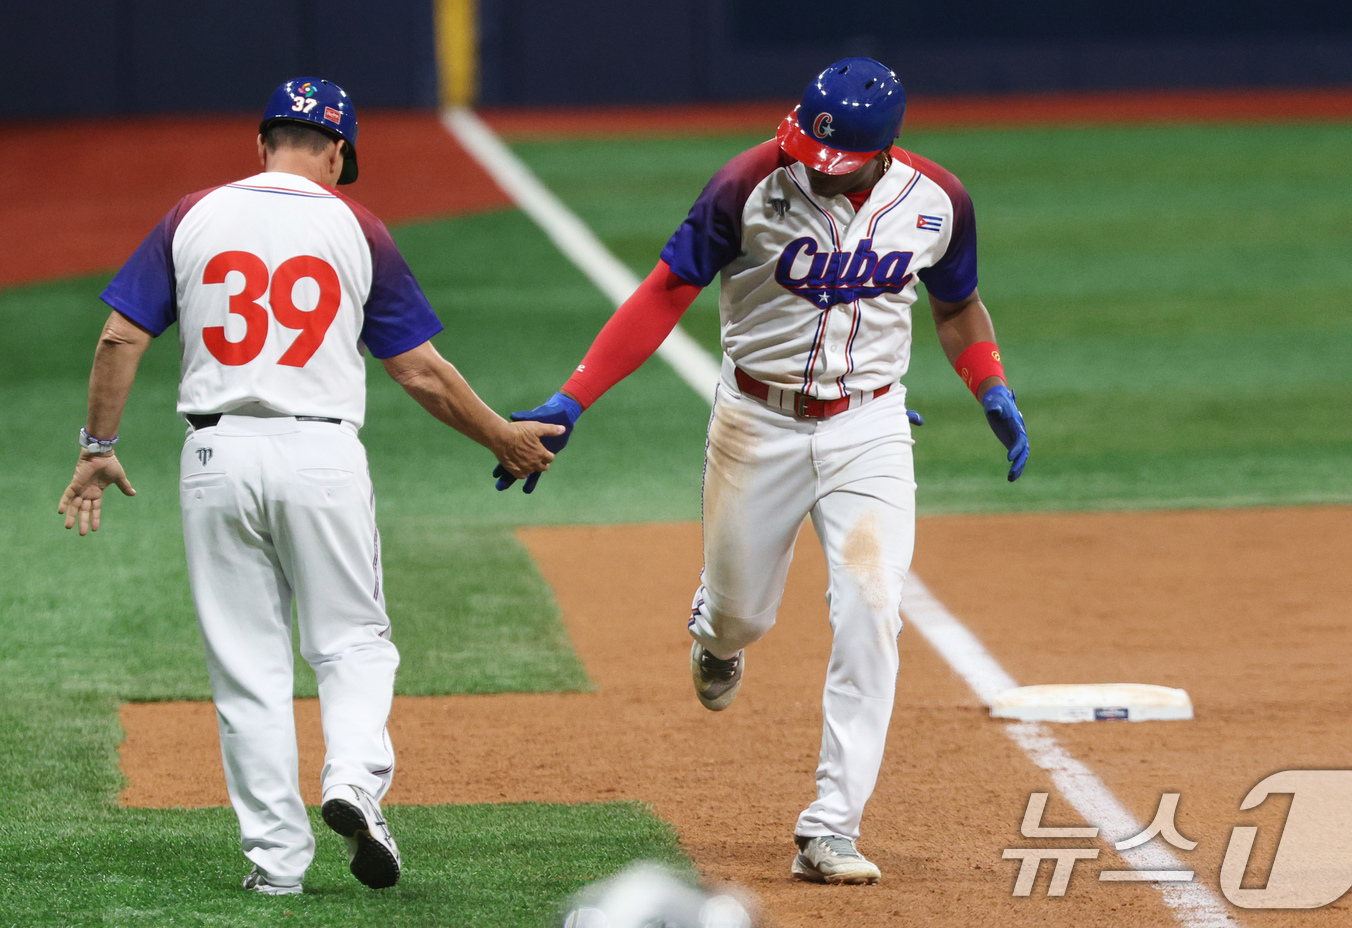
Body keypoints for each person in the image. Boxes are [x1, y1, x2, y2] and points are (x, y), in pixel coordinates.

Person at [498, 58, 1029, 884]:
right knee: (741, 621)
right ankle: (717, 630)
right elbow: (666, 291)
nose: (808, 164)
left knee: (872, 608)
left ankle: (831, 829)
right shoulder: (747, 184)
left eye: (833, 158)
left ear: (882, 150)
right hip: (755, 424)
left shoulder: (938, 202)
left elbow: (956, 305)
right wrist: (574, 399)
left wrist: (989, 382)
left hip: (872, 430)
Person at [58, 77, 562, 894]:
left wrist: (98, 447)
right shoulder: (355, 225)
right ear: (336, 153)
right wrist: (500, 436)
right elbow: (420, 372)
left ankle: (276, 866)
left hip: (213, 462)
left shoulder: (192, 214)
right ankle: (354, 781)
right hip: (321, 457)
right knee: (353, 641)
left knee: (247, 667)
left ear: (261, 144)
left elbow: (119, 336)